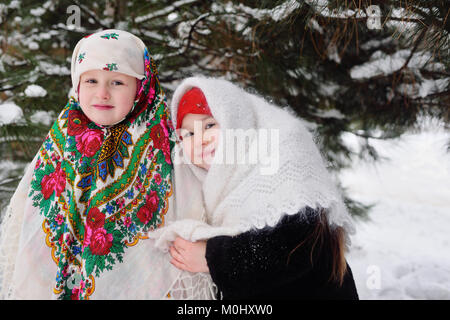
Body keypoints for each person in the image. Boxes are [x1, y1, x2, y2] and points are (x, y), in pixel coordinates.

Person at [0, 29, 187, 299]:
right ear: (77, 84)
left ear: (141, 87)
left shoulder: (159, 140)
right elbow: (33, 213)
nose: (102, 93)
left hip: (142, 282)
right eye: (91, 80)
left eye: (117, 82)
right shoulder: (64, 135)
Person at [150, 77, 359, 299]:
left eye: (209, 125)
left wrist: (212, 258)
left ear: (236, 122)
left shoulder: (282, 157)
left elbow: (295, 247)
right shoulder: (215, 183)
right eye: (189, 134)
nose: (199, 140)